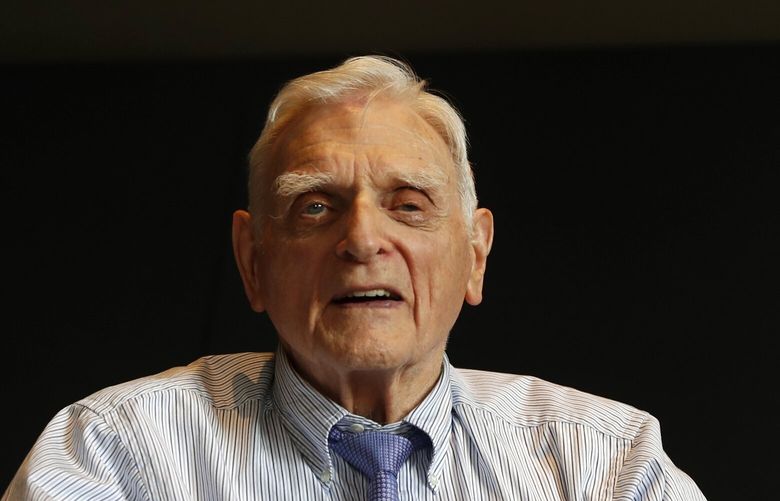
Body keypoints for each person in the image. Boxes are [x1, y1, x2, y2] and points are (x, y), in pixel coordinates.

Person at [3, 55, 706, 500]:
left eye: (409, 205)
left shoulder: (606, 465)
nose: (364, 239)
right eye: (316, 206)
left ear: (475, 253)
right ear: (252, 261)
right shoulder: (117, 453)